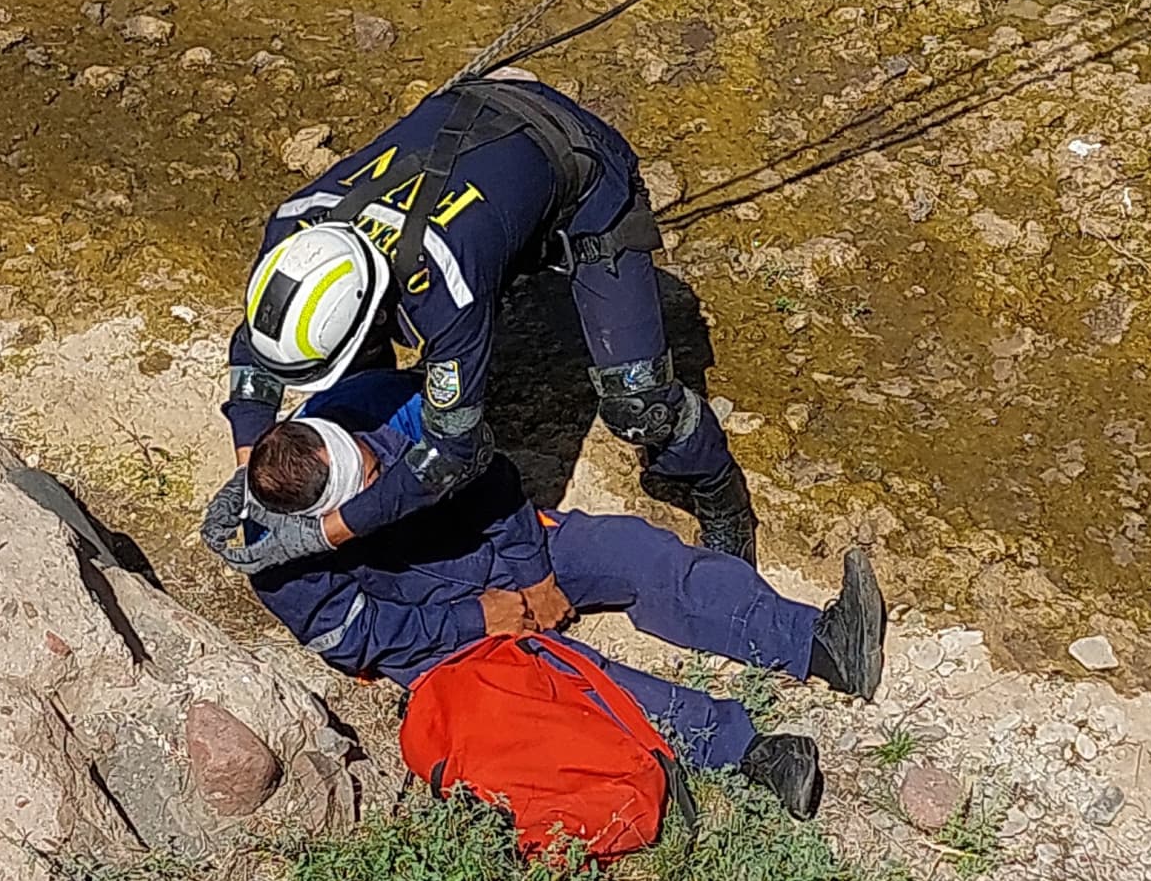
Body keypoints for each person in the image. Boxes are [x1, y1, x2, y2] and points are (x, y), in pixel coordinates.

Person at [229, 371, 886, 820]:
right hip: (430, 636)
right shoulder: (277, 560)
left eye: (372, 464)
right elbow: (364, 639)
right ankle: (748, 754)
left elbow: (486, 474)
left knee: (634, 552)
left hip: (491, 544)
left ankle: (820, 643)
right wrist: (476, 618)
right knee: (574, 677)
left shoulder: (371, 406)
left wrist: (530, 573)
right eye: (366, 489)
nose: (383, 477)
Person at [206, 70, 757, 578]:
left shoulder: (444, 286)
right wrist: (252, 471)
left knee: (641, 404)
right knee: (359, 382)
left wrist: (326, 533)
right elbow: (255, 351)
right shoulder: (292, 234)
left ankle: (719, 489)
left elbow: (455, 451)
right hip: (467, 140)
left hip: (576, 159)